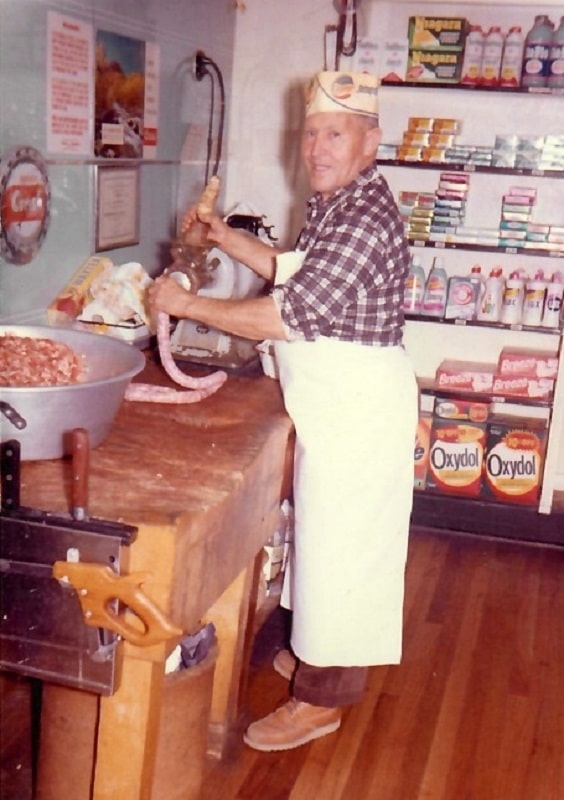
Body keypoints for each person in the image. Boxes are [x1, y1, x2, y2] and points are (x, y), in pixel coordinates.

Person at [149, 70, 418, 752]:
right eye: (312, 134)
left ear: (370, 142)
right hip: (335, 404)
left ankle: (321, 700)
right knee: (325, 548)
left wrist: (186, 306)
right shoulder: (337, 199)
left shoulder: (363, 216)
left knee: (345, 556)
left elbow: (285, 313)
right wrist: (222, 235)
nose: (318, 148)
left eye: (336, 134)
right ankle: (317, 655)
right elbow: (288, 269)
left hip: (357, 409)